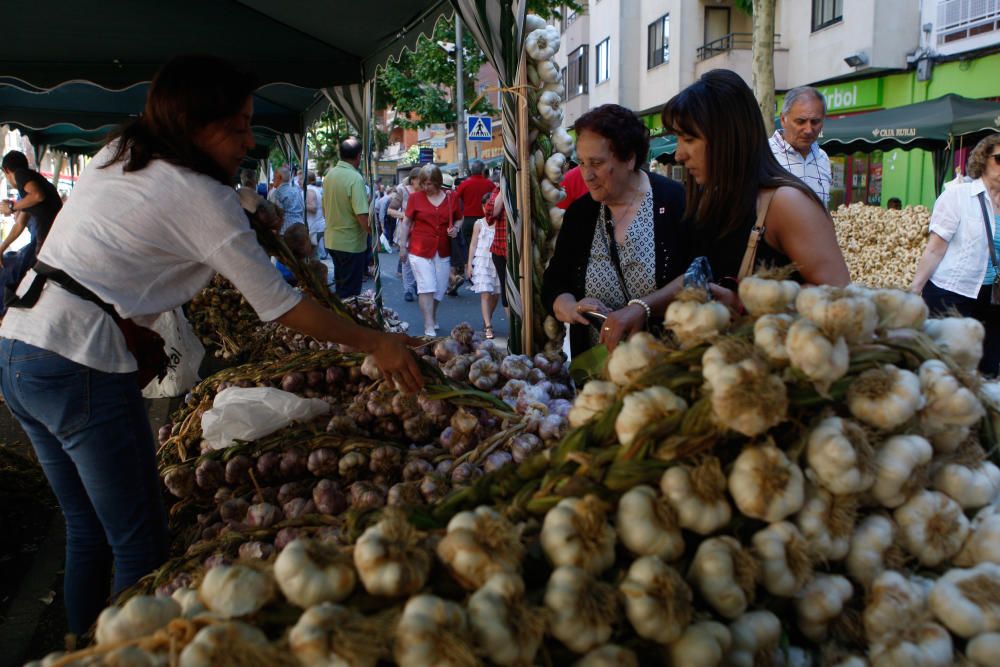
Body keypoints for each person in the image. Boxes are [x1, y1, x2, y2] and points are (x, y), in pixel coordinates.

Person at [0, 55, 422, 638]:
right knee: (140, 538)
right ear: (196, 125)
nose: (249, 140)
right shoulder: (201, 194)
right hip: (79, 361)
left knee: (85, 524)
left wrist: (254, 216)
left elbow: (184, 220)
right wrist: (375, 342)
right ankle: (127, 652)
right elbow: (279, 306)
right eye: (238, 125)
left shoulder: (121, 151)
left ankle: (81, 643)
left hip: (20, 346)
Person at [656, 70, 848, 338]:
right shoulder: (714, 196)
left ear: (728, 136)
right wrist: (641, 308)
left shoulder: (786, 203)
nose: (679, 154)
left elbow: (839, 297)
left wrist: (743, 306)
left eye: (689, 139)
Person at [542, 104, 687, 357]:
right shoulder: (580, 213)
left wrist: (644, 308)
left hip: (663, 371)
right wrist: (572, 307)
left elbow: (696, 277)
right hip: (593, 375)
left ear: (629, 158)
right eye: (582, 163)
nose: (586, 175)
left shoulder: (674, 201)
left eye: (596, 163)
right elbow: (554, 282)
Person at [910, 134, 1000, 375]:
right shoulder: (958, 196)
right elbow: (935, 247)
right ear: (983, 159)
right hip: (951, 291)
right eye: (999, 159)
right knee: (945, 364)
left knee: (987, 367)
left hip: (991, 296)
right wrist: (915, 289)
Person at [399, 164, 461, 336]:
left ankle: (432, 316)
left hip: (443, 249)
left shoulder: (451, 197)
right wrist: (402, 246)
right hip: (419, 250)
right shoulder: (415, 198)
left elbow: (459, 219)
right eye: (423, 183)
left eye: (430, 184)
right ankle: (428, 324)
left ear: (438, 182)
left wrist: (455, 229)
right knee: (427, 286)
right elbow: (406, 223)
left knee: (440, 289)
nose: (426, 187)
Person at [0, 151, 63, 315]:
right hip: (47, 242)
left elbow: (38, 195)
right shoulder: (28, 187)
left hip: (48, 244)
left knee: (8, 274)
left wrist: (12, 206)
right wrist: (1, 248)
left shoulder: (21, 175)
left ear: (7, 170)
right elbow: (19, 225)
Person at [769, 86, 832, 208]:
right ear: (783, 119)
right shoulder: (764, 154)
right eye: (800, 121)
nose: (808, 130)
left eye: (815, 122)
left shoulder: (823, 158)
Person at [323, 137, 370, 298]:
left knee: (342, 289)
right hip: (350, 243)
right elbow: (362, 215)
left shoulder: (329, 175)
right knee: (350, 294)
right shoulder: (355, 178)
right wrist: (375, 235)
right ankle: (343, 322)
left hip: (332, 240)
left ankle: (338, 319)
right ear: (359, 156)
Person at [466, 192, 502, 339]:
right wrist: (469, 264)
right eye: (485, 206)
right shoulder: (479, 224)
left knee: (495, 295)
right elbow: (473, 244)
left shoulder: (500, 222)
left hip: (497, 262)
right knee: (486, 293)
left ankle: (488, 317)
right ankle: (488, 326)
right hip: (482, 261)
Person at [388, 169, 421, 302]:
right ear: (413, 179)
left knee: (420, 260)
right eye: (420, 179)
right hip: (406, 230)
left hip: (422, 230)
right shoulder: (403, 191)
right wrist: (405, 216)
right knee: (406, 261)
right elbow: (390, 210)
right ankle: (408, 289)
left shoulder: (426, 192)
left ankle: (418, 286)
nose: (423, 182)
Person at [268, 165, 305, 231]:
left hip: (286, 229)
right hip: (300, 225)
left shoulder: (277, 193)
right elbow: (303, 208)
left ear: (280, 177)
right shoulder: (296, 190)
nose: (272, 180)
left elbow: (276, 213)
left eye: (274, 177)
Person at [304, 172, 327, 260]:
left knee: (313, 256)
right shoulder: (316, 189)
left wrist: (301, 205)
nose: (298, 181)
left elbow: (313, 208)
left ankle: (315, 272)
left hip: (314, 227)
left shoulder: (309, 190)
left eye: (301, 179)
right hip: (317, 226)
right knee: (314, 255)